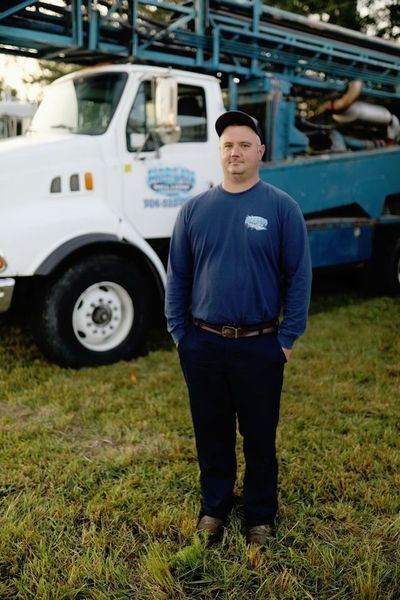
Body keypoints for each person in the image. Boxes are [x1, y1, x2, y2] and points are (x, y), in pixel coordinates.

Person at [165, 110, 312, 546]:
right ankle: (214, 507)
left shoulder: (281, 208)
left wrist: (286, 339)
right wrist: (179, 335)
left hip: (260, 345)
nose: (235, 152)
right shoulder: (194, 210)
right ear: (220, 151)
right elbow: (179, 277)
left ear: (260, 151)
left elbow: (299, 276)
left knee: (260, 437)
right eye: (228, 144)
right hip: (203, 343)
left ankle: (260, 516)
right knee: (211, 433)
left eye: (245, 144)